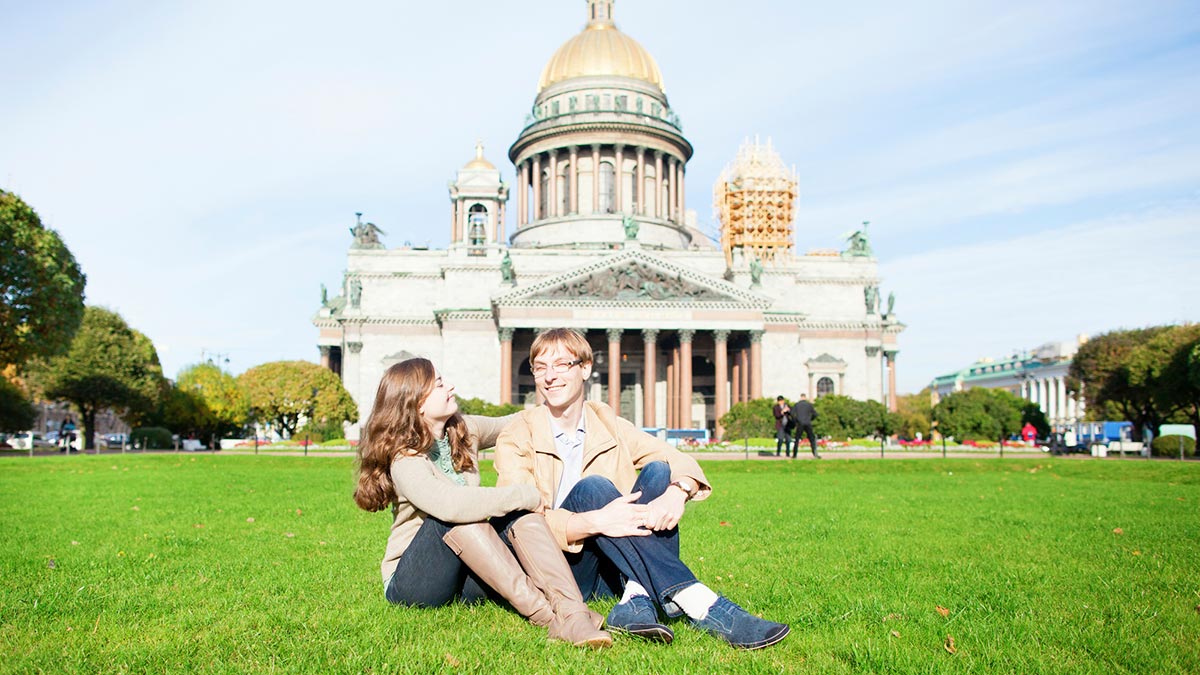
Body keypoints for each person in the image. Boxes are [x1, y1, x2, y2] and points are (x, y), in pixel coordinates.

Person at [494, 329, 790, 650]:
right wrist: (596, 521)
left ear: (585, 368)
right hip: (558, 572)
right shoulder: (517, 434)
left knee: (659, 470)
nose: (550, 377)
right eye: (540, 367)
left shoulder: (606, 422)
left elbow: (675, 458)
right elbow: (518, 521)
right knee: (593, 488)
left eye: (562, 365)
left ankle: (636, 597)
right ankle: (699, 601)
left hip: (608, 567)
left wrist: (679, 491)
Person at [353, 357, 611, 648]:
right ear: (418, 403)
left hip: (465, 570)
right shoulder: (406, 460)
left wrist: (562, 398)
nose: (450, 386)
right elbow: (451, 505)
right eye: (439, 383)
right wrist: (526, 494)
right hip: (415, 582)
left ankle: (573, 612)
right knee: (457, 516)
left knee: (521, 517)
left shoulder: (464, 430)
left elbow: (517, 423)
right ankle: (549, 618)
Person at [790, 394, 820, 459]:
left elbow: (792, 414)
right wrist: (810, 419)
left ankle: (794, 455)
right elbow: (815, 414)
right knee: (812, 438)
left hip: (800, 423)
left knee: (797, 439)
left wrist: (795, 421)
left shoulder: (797, 405)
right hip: (807, 423)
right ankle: (815, 453)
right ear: (805, 398)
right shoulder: (809, 405)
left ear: (800, 397)